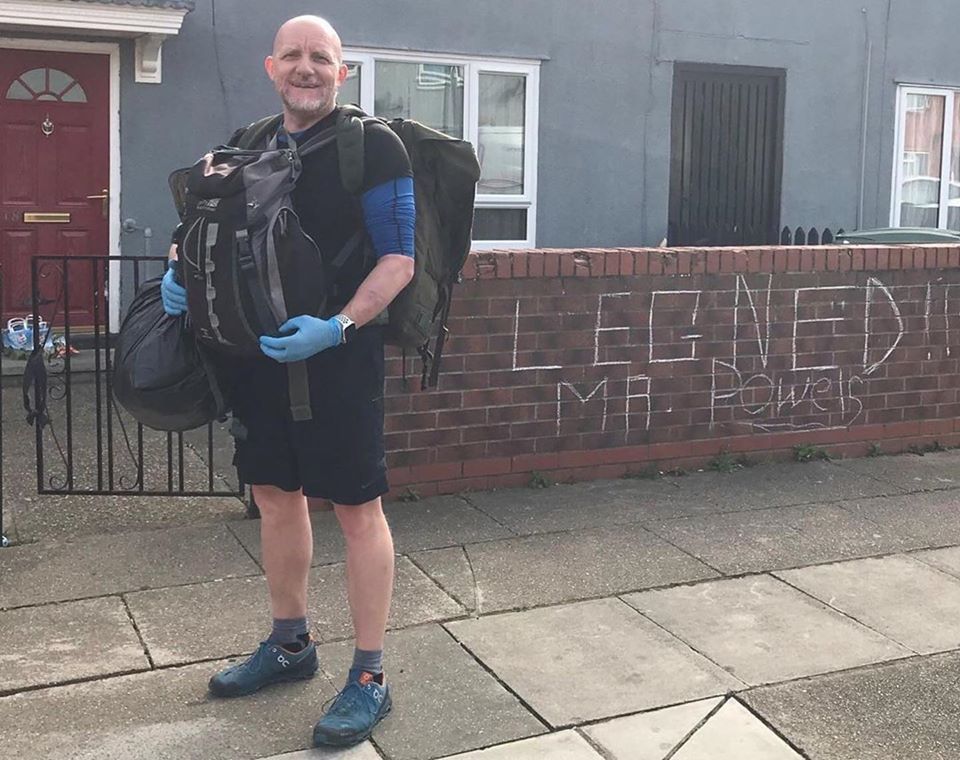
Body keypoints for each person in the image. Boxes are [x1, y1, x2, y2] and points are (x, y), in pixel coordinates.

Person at [161, 14, 415, 749]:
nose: (307, 68)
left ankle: (370, 675)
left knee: (357, 509)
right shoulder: (244, 143)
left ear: (343, 74)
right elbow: (196, 228)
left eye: (322, 58)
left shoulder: (373, 148)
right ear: (272, 68)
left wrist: (337, 326)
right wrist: (178, 273)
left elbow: (399, 259)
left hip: (339, 361)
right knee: (275, 497)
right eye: (294, 57)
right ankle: (290, 645)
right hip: (257, 361)